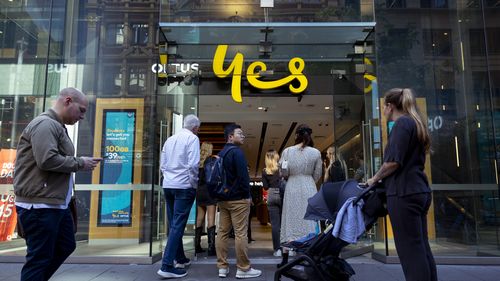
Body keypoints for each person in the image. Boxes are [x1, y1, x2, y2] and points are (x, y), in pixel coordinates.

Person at [14, 88, 102, 281]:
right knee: (39, 259)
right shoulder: (46, 124)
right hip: (40, 205)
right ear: (68, 101)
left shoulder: (56, 125)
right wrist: (81, 163)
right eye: (81, 110)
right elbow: (47, 160)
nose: (82, 116)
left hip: (52, 204)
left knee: (65, 245)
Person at [366, 88, 437, 281]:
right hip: (418, 190)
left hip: (403, 192)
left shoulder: (401, 124)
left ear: (390, 106)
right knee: (420, 247)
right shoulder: (414, 123)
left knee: (410, 251)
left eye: (383, 107)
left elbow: (393, 162)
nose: (383, 111)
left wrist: (374, 178)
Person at [216, 124, 261, 279]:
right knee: (240, 233)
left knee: (222, 232)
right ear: (230, 136)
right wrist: (248, 196)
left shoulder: (221, 154)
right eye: (239, 133)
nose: (243, 136)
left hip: (222, 199)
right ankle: (243, 268)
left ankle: (222, 267)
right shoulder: (237, 152)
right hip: (238, 200)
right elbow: (243, 177)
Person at [158, 114, 201, 279]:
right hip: (184, 186)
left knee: (174, 224)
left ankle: (180, 258)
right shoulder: (192, 139)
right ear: (195, 128)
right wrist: (193, 184)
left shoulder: (170, 139)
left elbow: (163, 165)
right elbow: (193, 165)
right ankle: (167, 265)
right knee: (178, 225)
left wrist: (168, 178)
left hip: (168, 185)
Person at [280, 124, 322, 246]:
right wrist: (309, 180)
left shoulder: (287, 151)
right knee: (309, 215)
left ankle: (291, 243)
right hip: (309, 185)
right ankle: (310, 242)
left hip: (292, 185)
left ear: (296, 136)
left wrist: (290, 175)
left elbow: (284, 172)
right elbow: (317, 174)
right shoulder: (316, 153)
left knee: (292, 215)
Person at [195, 142, 217, 256]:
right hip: (209, 192)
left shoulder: (197, 162)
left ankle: (196, 245)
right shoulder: (211, 161)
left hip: (199, 191)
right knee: (211, 219)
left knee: (199, 218)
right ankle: (211, 247)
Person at [261, 149, 283, 257]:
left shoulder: (265, 171)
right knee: (285, 223)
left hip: (271, 195)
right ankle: (286, 247)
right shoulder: (281, 168)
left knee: (275, 225)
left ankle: (277, 250)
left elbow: (265, 187)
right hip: (282, 194)